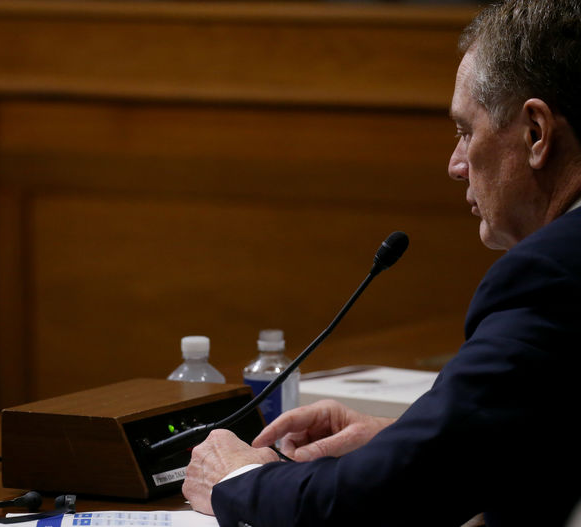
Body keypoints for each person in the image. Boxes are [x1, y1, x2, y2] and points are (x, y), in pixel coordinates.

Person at [182, 1, 581, 525]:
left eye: (465, 130)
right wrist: (401, 441)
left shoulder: (552, 274)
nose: (455, 165)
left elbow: (389, 500)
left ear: (535, 133)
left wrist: (238, 480)